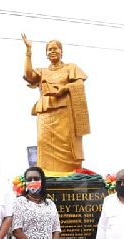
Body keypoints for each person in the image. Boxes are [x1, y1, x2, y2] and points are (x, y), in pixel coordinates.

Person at [21, 34, 91, 172]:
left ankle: (69, 171)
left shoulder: (71, 68)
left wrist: (65, 88)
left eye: (55, 48)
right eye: (49, 49)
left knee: (66, 142)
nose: (52, 51)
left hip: (64, 112)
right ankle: (47, 172)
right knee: (43, 142)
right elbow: (28, 75)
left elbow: (79, 84)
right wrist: (29, 52)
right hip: (45, 112)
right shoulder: (42, 71)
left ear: (61, 51)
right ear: (46, 54)